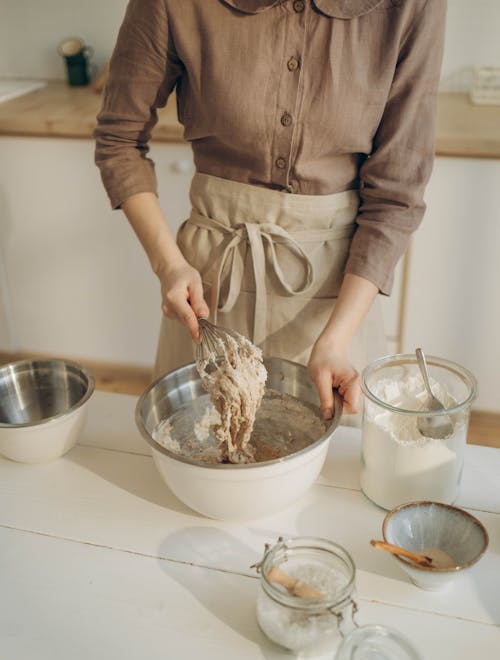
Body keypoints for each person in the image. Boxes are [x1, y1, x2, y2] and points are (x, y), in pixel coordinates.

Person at [95, 0, 446, 421]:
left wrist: (335, 340)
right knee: (196, 447)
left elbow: (397, 190)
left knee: (331, 473)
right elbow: (120, 140)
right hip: (210, 289)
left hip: (338, 300)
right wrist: (168, 265)